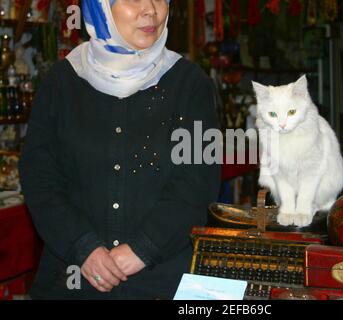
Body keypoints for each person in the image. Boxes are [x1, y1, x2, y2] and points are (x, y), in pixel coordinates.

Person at [19, 0, 221, 299]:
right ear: (99, 8)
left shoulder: (190, 86)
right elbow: (40, 178)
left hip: (163, 278)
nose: (150, 10)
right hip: (75, 277)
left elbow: (197, 183)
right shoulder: (62, 83)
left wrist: (142, 249)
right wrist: (83, 247)